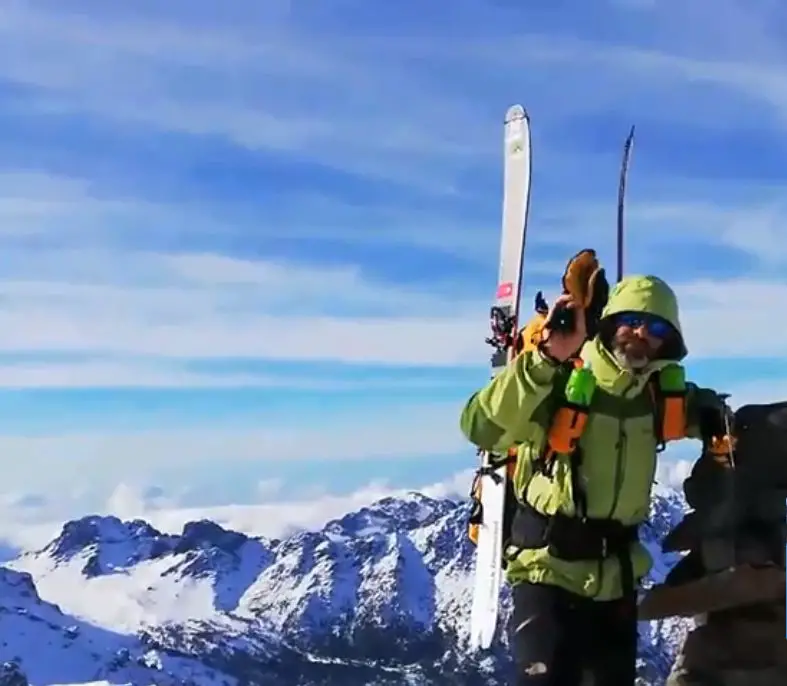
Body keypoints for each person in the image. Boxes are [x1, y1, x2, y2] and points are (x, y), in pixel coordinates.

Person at [460, 274, 729, 686]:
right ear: (608, 322)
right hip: (547, 574)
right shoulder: (559, 383)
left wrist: (716, 418)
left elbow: (708, 408)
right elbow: (481, 426)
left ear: (667, 343)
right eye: (631, 320)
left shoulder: (658, 395)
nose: (641, 333)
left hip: (616, 580)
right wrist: (546, 357)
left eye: (656, 327)